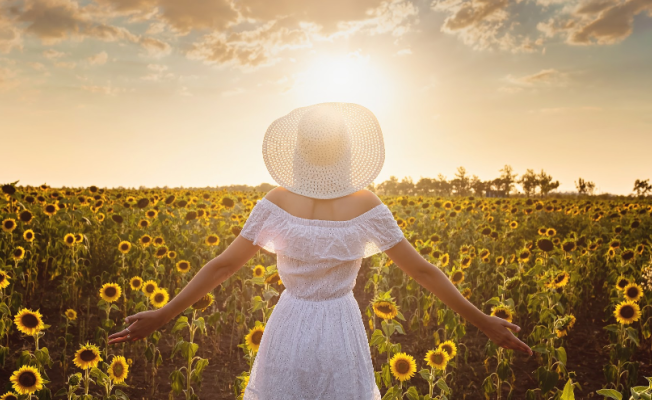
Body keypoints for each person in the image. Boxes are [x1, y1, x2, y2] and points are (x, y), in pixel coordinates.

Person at [108, 102, 533, 399]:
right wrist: (483, 322)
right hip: (339, 326)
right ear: (347, 151)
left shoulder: (275, 201)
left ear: (298, 151)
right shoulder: (366, 205)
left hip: (288, 323)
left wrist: (163, 315)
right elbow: (423, 272)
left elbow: (223, 266)